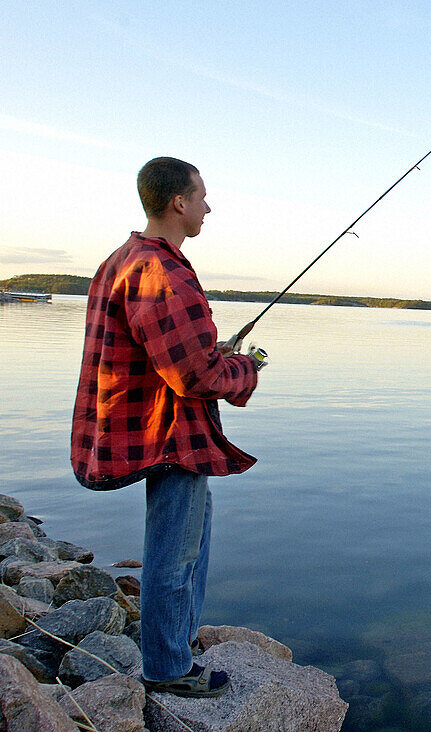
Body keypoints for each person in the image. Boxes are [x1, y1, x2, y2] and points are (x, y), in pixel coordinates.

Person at [71, 157, 267, 697]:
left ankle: (174, 647)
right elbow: (192, 375)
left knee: (187, 539)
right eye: (202, 195)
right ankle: (166, 668)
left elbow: (165, 355)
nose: (208, 206)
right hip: (168, 434)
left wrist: (212, 354)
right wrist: (245, 369)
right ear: (178, 202)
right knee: (175, 552)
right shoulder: (161, 271)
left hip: (154, 425)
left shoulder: (122, 260)